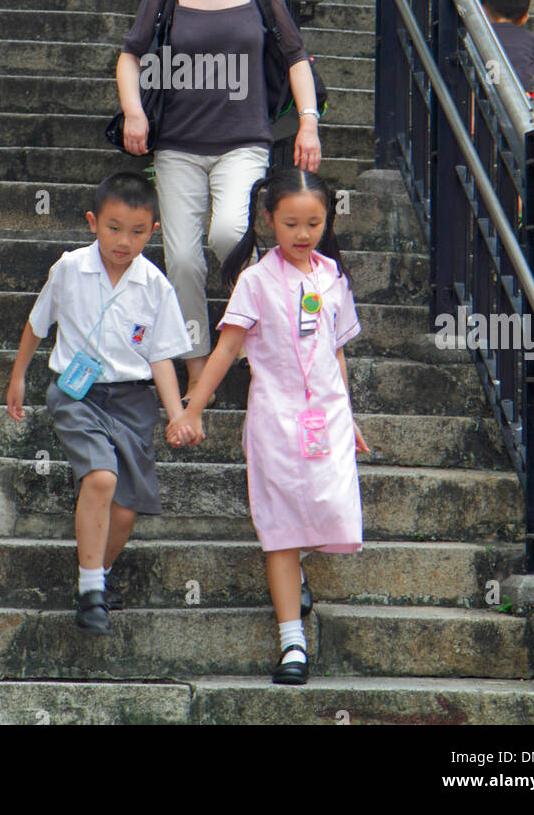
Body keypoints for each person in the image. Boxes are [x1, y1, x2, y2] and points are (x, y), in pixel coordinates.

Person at [115, 0, 322, 401]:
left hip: (243, 140)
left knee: (230, 235)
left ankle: (253, 342)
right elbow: (131, 55)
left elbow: (296, 57)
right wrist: (134, 113)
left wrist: (308, 121)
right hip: (177, 144)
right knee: (183, 259)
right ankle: (196, 365)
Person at [167, 169, 369, 685]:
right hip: (275, 421)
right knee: (279, 528)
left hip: (325, 418)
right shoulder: (255, 281)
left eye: (314, 223)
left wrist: (350, 415)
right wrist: (193, 408)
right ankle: (292, 642)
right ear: (268, 221)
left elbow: (336, 351)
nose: (303, 234)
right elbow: (227, 349)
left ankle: (294, 578)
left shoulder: (331, 277)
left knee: (326, 509)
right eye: (291, 223)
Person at [6, 171, 192, 634]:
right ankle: (92, 592)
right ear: (93, 222)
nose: (123, 241)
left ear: (153, 231)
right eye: (113, 227)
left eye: (135, 231)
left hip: (132, 402)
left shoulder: (155, 285)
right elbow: (37, 323)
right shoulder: (69, 268)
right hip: (77, 394)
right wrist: (18, 377)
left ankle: (95, 577)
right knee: (102, 478)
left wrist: (178, 415)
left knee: (126, 510)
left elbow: (163, 356)